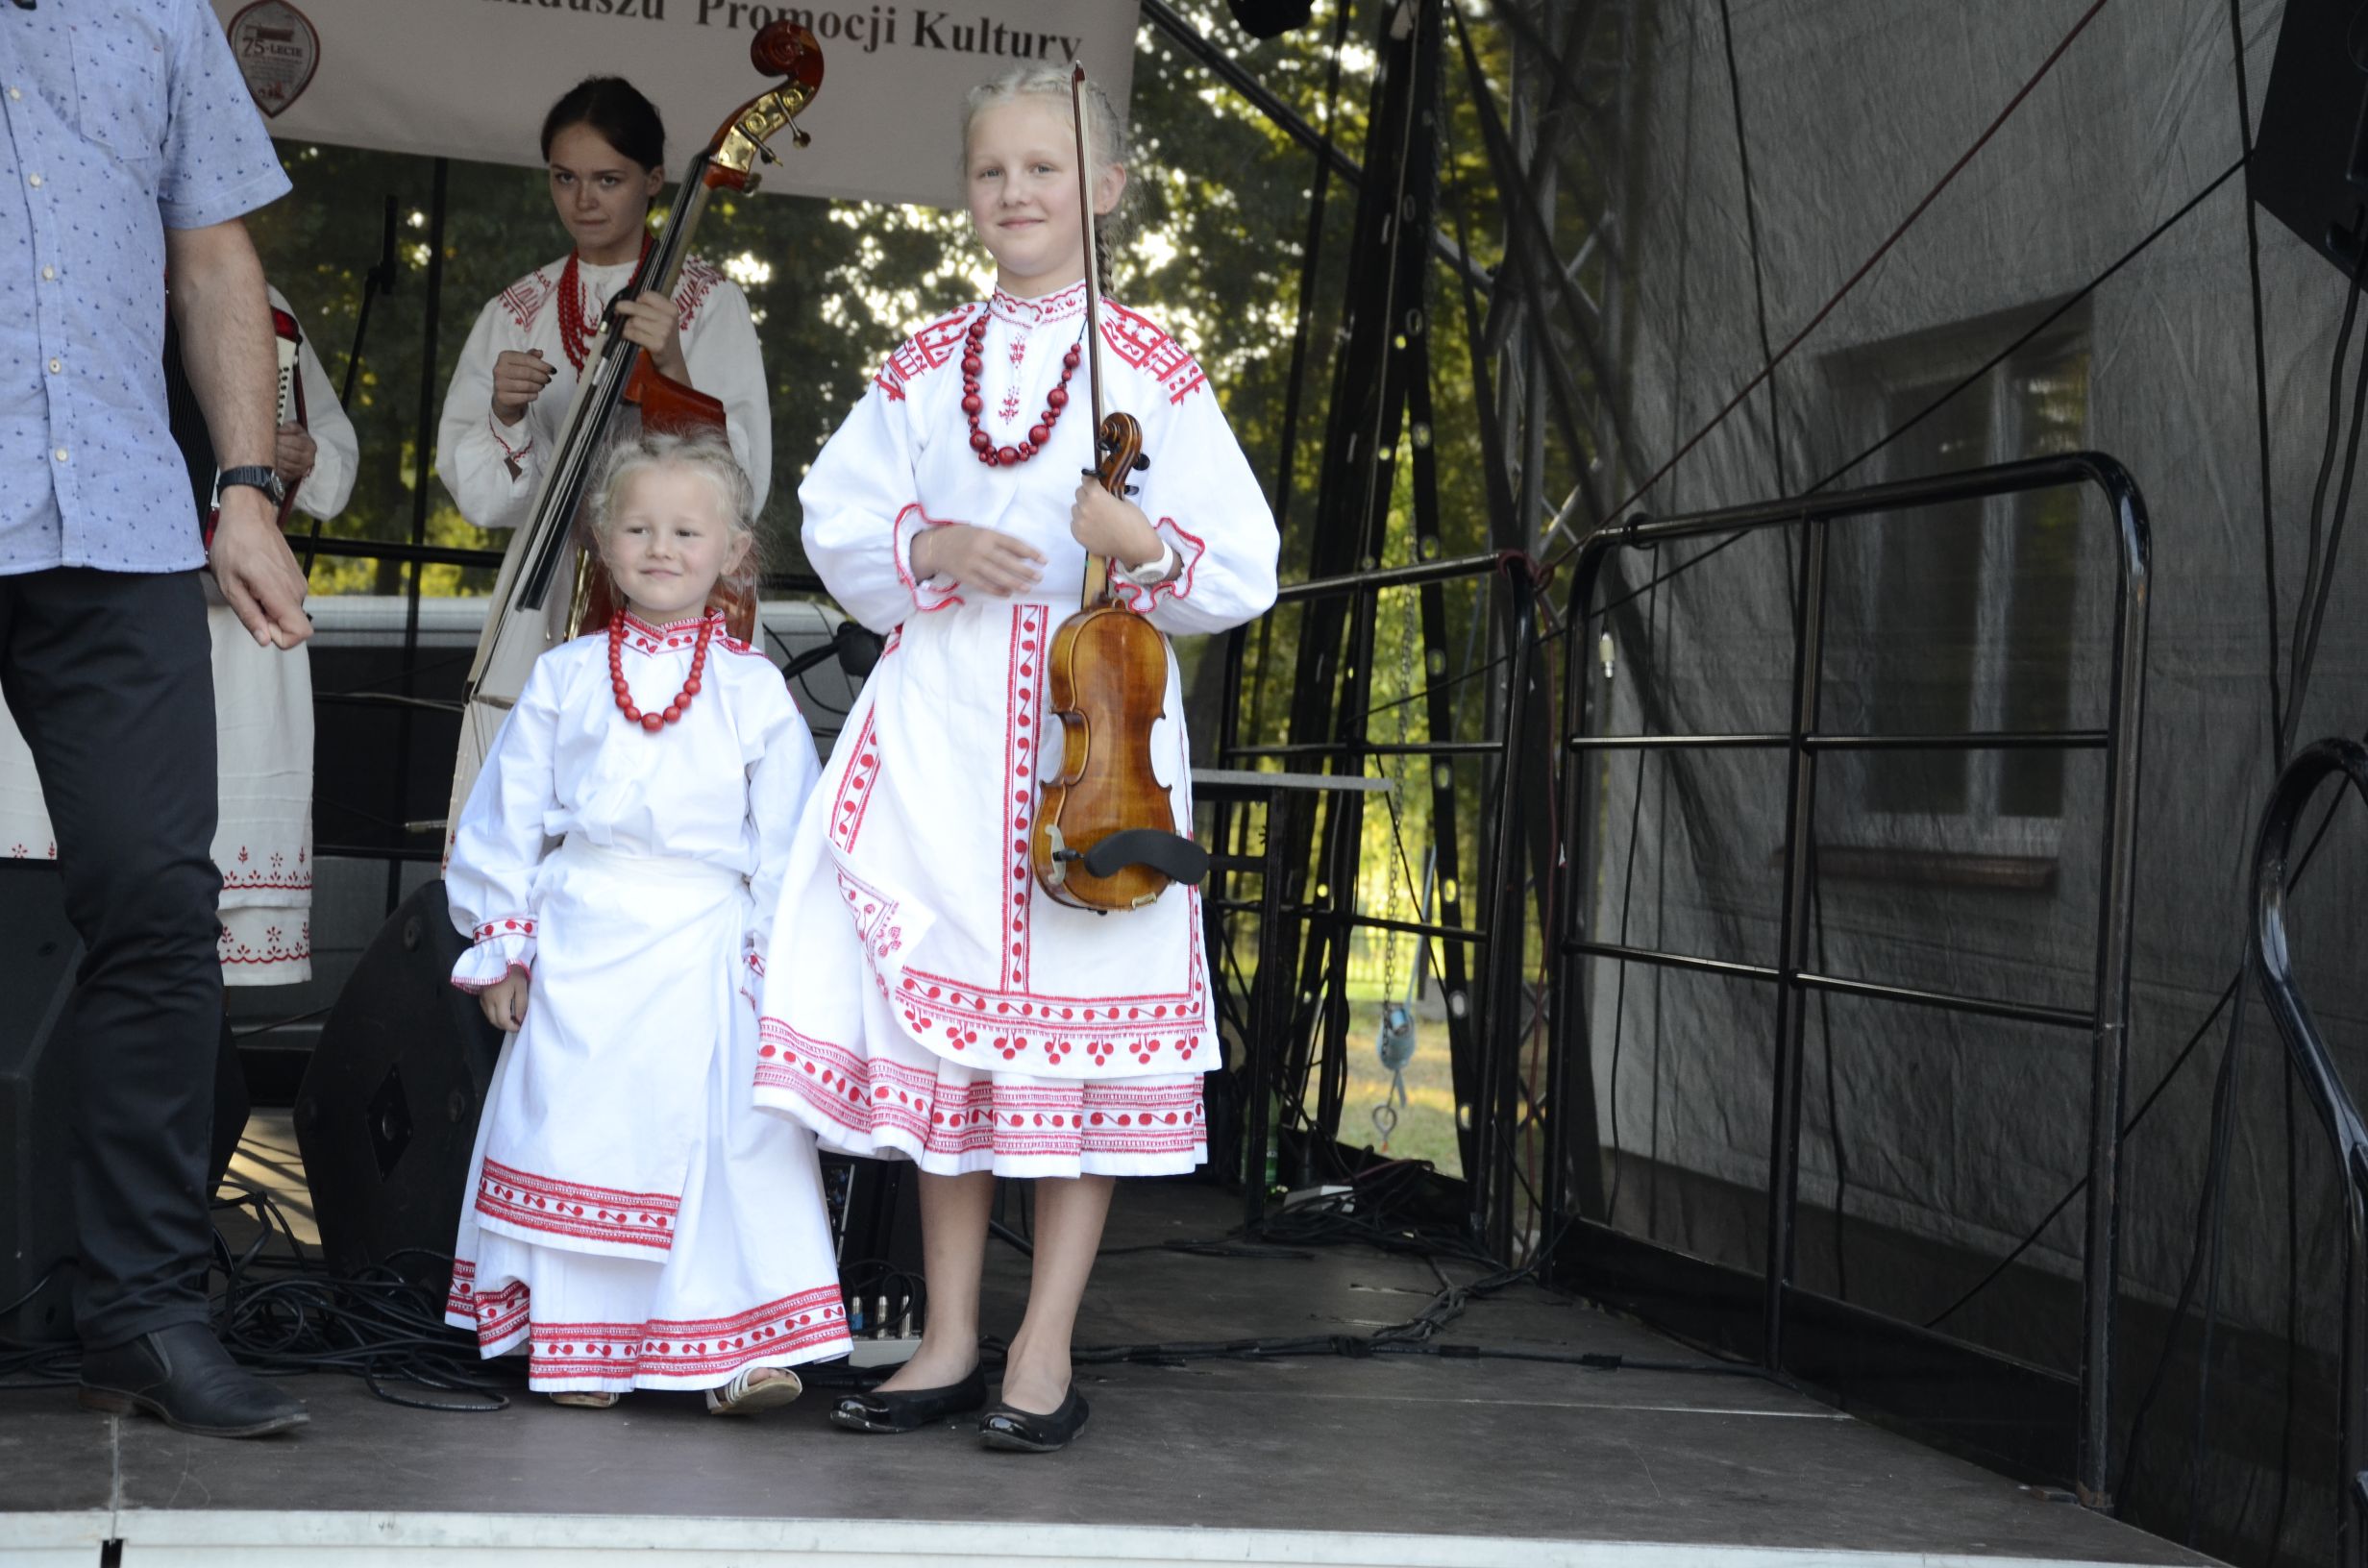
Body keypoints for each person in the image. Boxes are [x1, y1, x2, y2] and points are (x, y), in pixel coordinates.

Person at [753, 64, 1279, 1453]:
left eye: (1047, 170)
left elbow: (1249, 569)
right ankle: (947, 1337)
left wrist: (1144, 548)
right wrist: (929, 546)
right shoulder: (925, 362)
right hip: (946, 728)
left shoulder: (1155, 366)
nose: (1018, 193)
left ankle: (1042, 1349)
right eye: (994, 172)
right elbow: (835, 513)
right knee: (952, 1049)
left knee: (1074, 1063)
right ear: (967, 194)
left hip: (1094, 742)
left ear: (1103, 192)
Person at [2, 0, 311, 1438]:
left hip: (119, 521)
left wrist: (243, 484)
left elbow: (212, 249)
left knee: (157, 907)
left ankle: (142, 1307)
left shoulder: (156, 9)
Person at [440, 430, 849, 1411]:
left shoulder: (754, 690)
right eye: (637, 527)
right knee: (579, 1139)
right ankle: (585, 1347)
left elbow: (789, 842)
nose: (661, 547)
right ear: (601, 542)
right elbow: (504, 821)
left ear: (732, 552)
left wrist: (770, 960)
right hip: (583, 941)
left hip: (706, 948)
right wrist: (504, 949)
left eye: (685, 530)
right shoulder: (567, 676)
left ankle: (733, 1355)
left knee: (728, 1149)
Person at [435, 76, 771, 532]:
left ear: (653, 179)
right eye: (565, 178)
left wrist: (672, 368)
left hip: (667, 581)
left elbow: (742, 490)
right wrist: (504, 415)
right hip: (545, 587)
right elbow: (482, 504)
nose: (583, 201)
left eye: (608, 180)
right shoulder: (516, 311)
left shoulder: (710, 301)